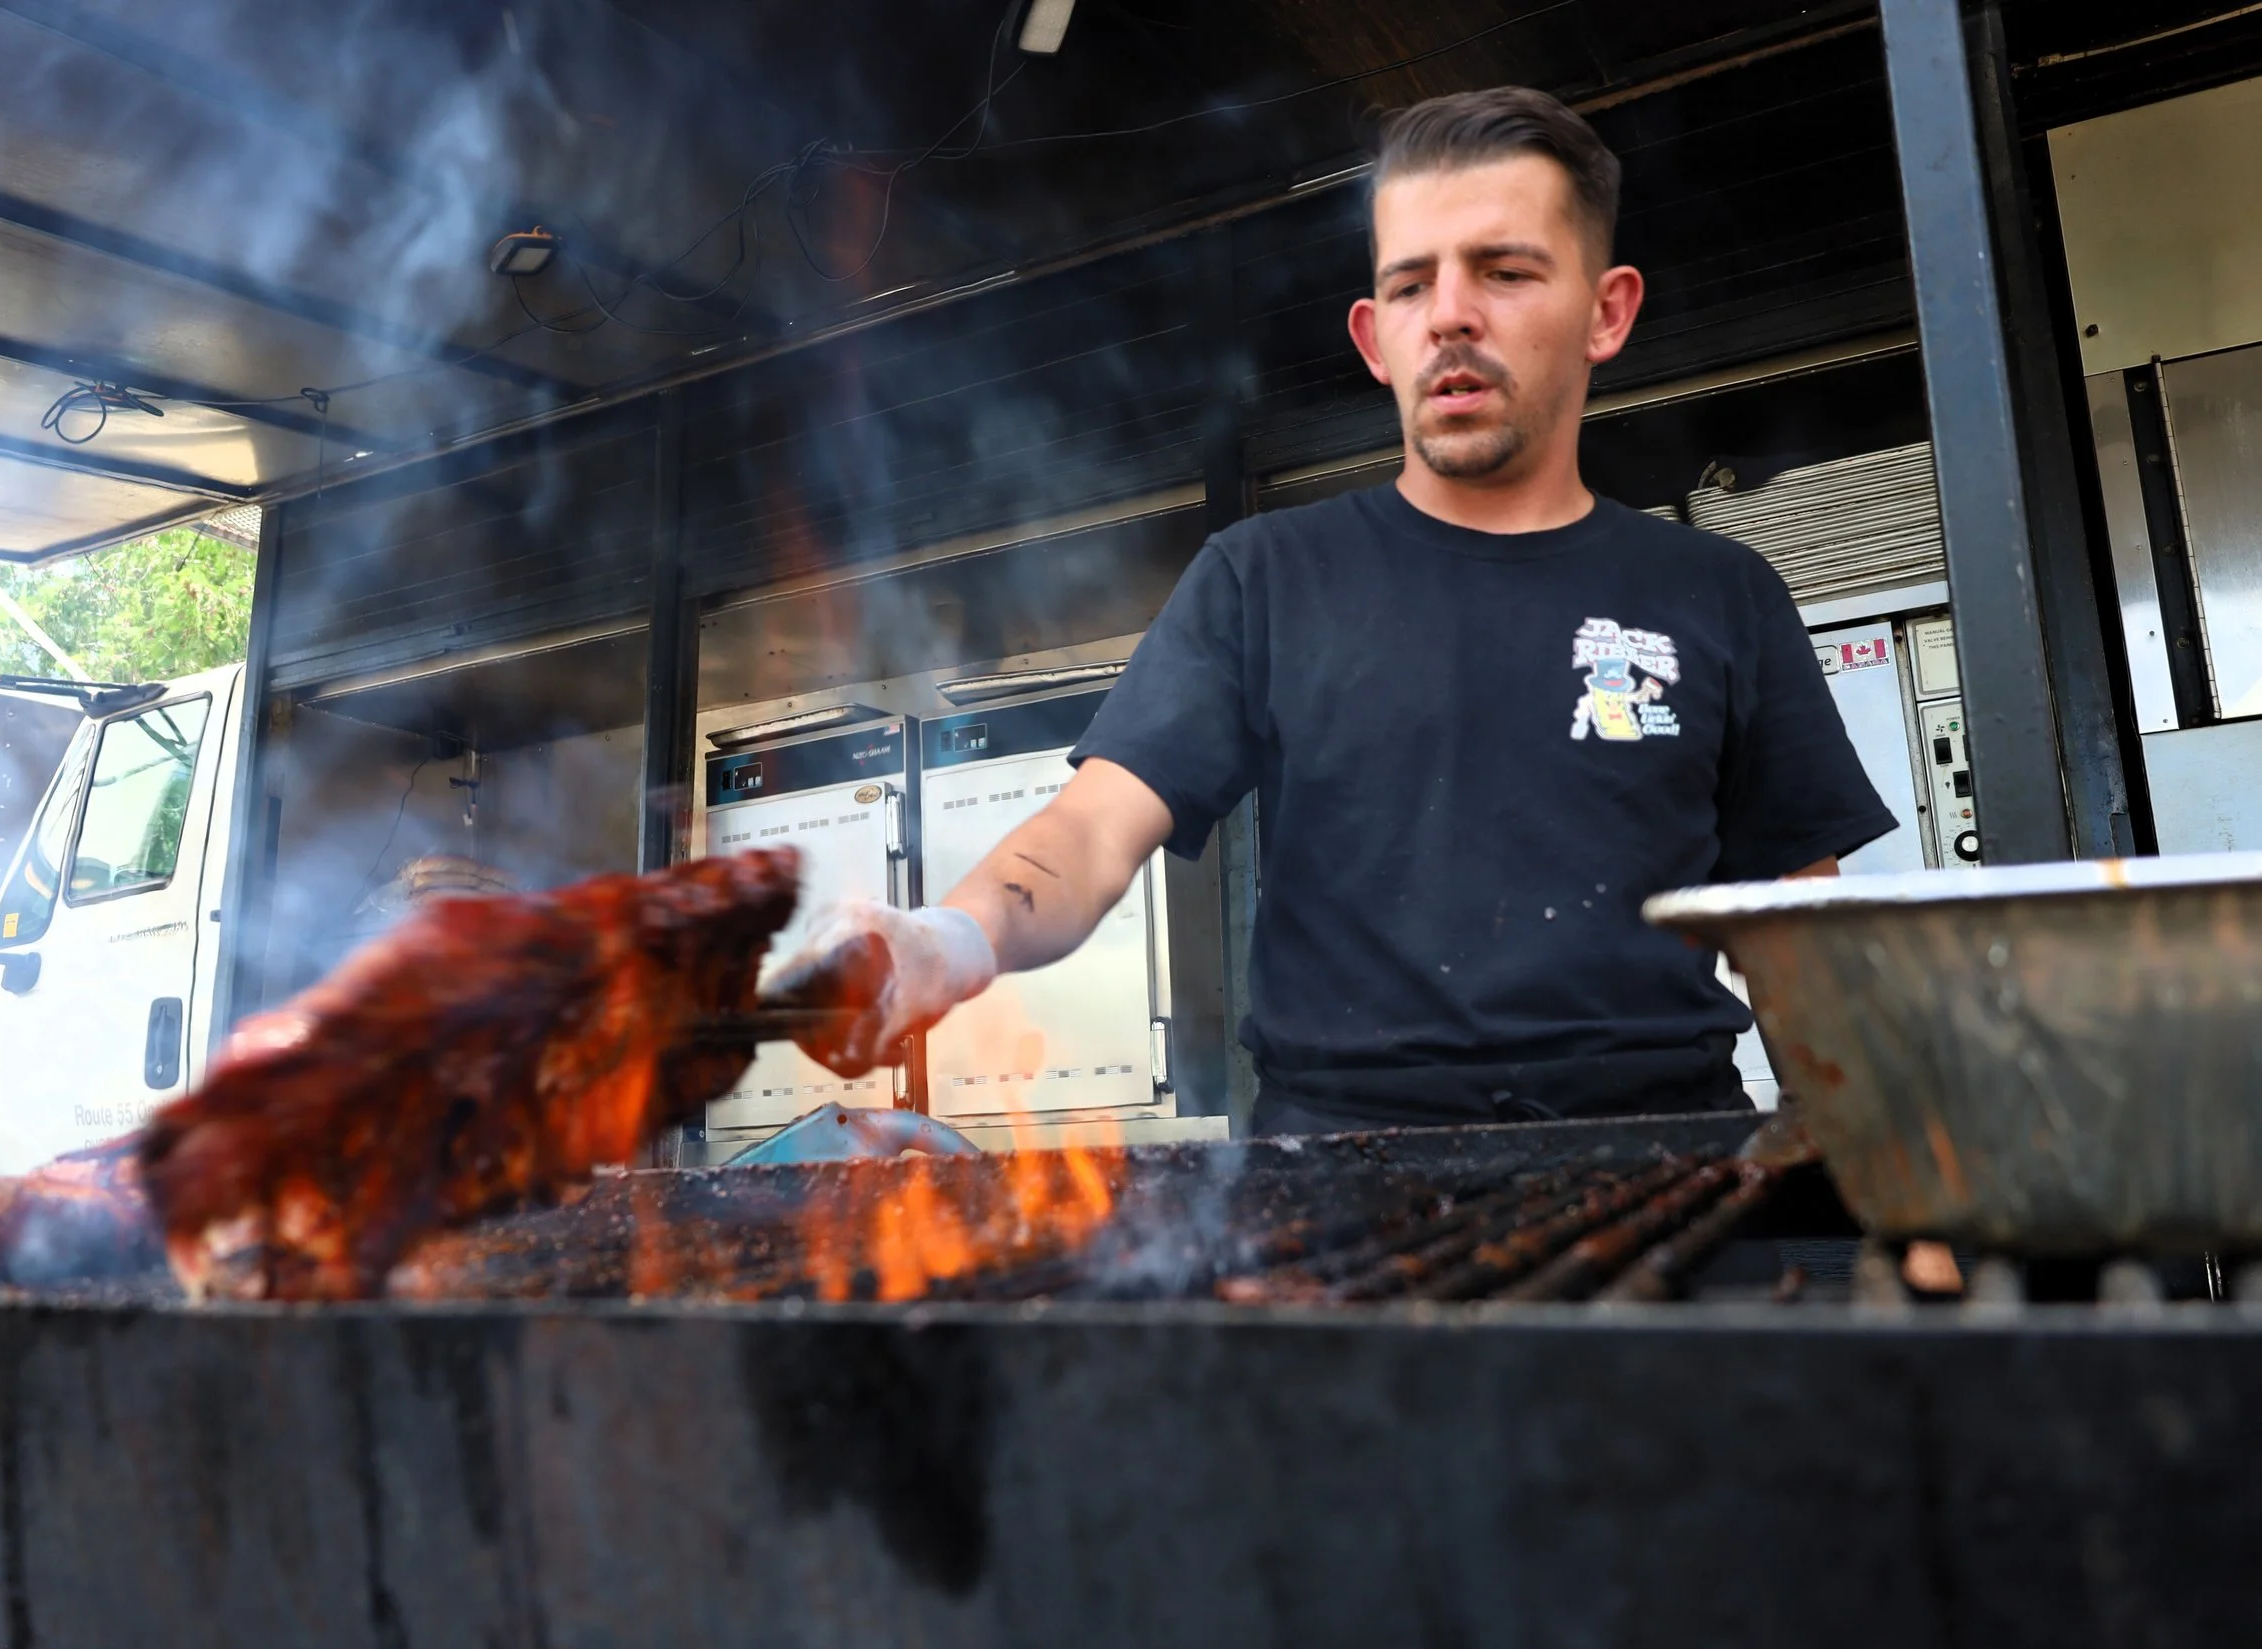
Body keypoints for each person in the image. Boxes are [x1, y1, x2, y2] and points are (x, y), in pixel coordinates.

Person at [767, 86, 1897, 1134]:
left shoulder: (1717, 592)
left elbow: (1795, 940)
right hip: (1341, 1184)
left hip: (1669, 1167)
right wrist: (942, 939)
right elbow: (1089, 831)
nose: (1450, 316)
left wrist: (1882, 1185)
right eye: (1412, 283)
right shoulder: (1264, 577)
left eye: (1504, 271)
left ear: (1607, 312)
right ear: (1372, 336)